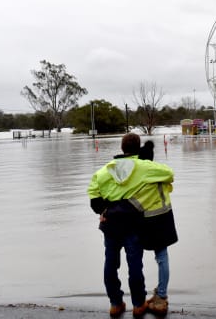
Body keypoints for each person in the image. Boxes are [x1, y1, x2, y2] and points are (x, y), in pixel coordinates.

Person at [88, 133, 174, 318]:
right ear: (138, 148)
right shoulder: (145, 167)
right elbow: (169, 174)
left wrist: (103, 210)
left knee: (110, 263)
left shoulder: (104, 171)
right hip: (133, 224)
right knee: (135, 265)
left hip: (110, 225)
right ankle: (138, 305)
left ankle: (115, 304)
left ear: (121, 148)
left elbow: (93, 195)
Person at [137, 140, 178, 315]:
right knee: (162, 257)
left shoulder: (139, 175)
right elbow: (170, 185)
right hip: (165, 217)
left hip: (148, 219)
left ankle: (153, 296)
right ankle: (161, 294)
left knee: (138, 257)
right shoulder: (161, 173)